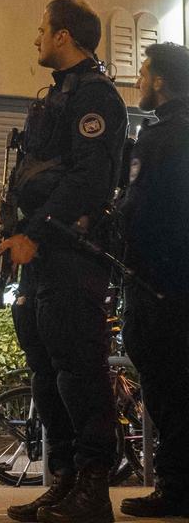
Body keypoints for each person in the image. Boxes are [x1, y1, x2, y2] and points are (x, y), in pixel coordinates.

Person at [0, 0, 128, 523]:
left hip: (72, 253)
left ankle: (93, 490)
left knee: (78, 370)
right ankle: (66, 481)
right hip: (43, 256)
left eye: (42, 29)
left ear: (64, 36)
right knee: (46, 370)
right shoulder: (60, 96)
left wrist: (36, 232)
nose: (36, 39)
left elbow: (89, 181)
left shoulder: (95, 96)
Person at [117, 42, 189, 518]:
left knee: (168, 390)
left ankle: (175, 487)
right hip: (172, 282)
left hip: (159, 286)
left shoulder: (161, 136)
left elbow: (142, 212)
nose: (139, 80)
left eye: (143, 73)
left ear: (160, 80)